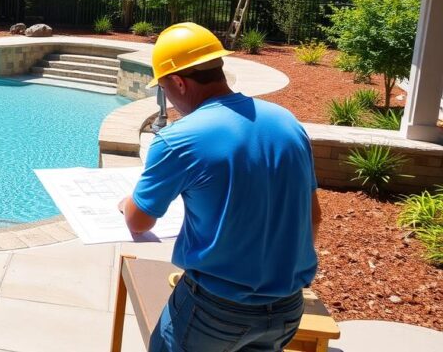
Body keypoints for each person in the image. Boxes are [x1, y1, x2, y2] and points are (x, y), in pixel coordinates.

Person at [119, 22, 321, 352]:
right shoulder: (288, 124)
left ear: (179, 83)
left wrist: (128, 202)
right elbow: (313, 217)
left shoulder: (178, 140)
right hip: (286, 308)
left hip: (214, 311)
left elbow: (138, 221)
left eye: (164, 90)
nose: (167, 99)